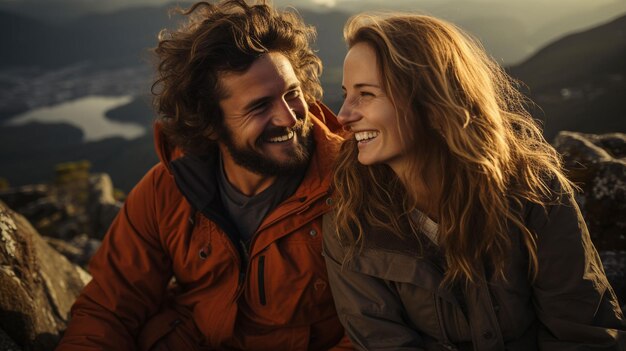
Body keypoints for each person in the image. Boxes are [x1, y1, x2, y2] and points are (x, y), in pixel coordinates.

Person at [56, 1, 352, 350]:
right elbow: (108, 309)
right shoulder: (169, 189)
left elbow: (375, 329)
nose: (289, 118)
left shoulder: (352, 186)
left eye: (292, 94)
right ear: (210, 124)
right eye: (259, 106)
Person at [323, 12, 626, 350]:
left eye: (365, 94)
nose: (344, 115)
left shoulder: (533, 192)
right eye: (346, 93)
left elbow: (582, 335)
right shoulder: (349, 224)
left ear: (432, 99)